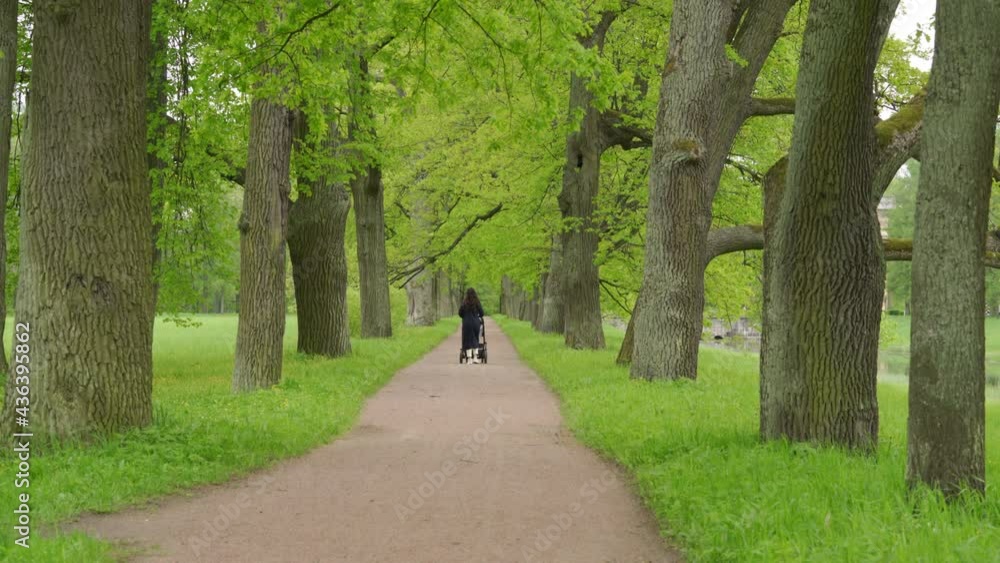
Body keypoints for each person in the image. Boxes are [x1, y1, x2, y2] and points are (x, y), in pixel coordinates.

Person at [458, 288, 485, 363]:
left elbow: (460, 313)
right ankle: (475, 357)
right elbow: (482, 313)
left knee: (467, 340)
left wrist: (465, 316)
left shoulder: (464, 302)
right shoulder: (477, 302)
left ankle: (469, 359)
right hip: (476, 323)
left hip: (467, 323)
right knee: (475, 339)